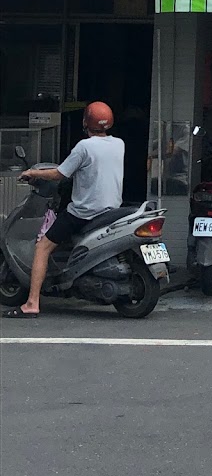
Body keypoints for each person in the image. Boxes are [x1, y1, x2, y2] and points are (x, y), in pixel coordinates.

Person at [3, 101, 124, 319]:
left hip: (84, 213)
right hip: (110, 210)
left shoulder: (84, 147)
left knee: (42, 247)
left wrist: (33, 173)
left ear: (86, 122)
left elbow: (60, 174)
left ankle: (31, 303)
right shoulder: (119, 144)